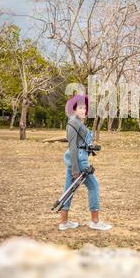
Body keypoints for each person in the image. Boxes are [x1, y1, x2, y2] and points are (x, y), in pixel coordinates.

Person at [59, 94, 112, 232]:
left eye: (84, 108)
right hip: (78, 161)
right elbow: (72, 147)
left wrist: (90, 148)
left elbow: (81, 143)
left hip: (77, 159)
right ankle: (95, 221)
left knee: (68, 190)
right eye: (80, 108)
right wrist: (76, 170)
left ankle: (64, 223)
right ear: (74, 110)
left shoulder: (77, 122)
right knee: (94, 186)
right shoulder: (73, 123)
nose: (83, 110)